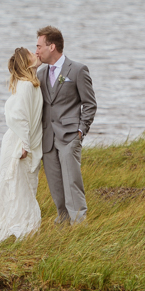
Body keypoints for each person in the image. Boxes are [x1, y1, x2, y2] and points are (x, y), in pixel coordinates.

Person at [0, 47, 45, 243]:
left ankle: (20, 227)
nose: (36, 53)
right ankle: (19, 228)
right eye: (32, 54)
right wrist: (25, 145)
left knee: (24, 185)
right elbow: (19, 117)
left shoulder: (31, 83)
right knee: (17, 185)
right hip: (18, 143)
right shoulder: (25, 85)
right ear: (27, 62)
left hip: (26, 141)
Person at [36, 25, 96, 225]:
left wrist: (81, 131)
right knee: (55, 187)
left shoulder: (78, 70)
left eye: (39, 46)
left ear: (51, 46)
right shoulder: (41, 74)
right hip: (48, 140)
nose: (36, 51)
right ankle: (62, 225)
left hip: (70, 136)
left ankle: (80, 225)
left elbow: (89, 104)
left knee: (72, 184)